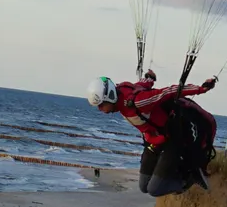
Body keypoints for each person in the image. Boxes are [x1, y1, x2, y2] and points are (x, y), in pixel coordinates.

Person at [87, 73, 219, 198]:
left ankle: (188, 179)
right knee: (143, 186)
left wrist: (200, 89)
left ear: (110, 96)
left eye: (101, 105)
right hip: (154, 140)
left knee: (154, 189)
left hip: (171, 138)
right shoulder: (122, 91)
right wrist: (150, 78)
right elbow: (141, 85)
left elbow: (168, 92)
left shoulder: (138, 102)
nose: (100, 109)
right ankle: (171, 173)